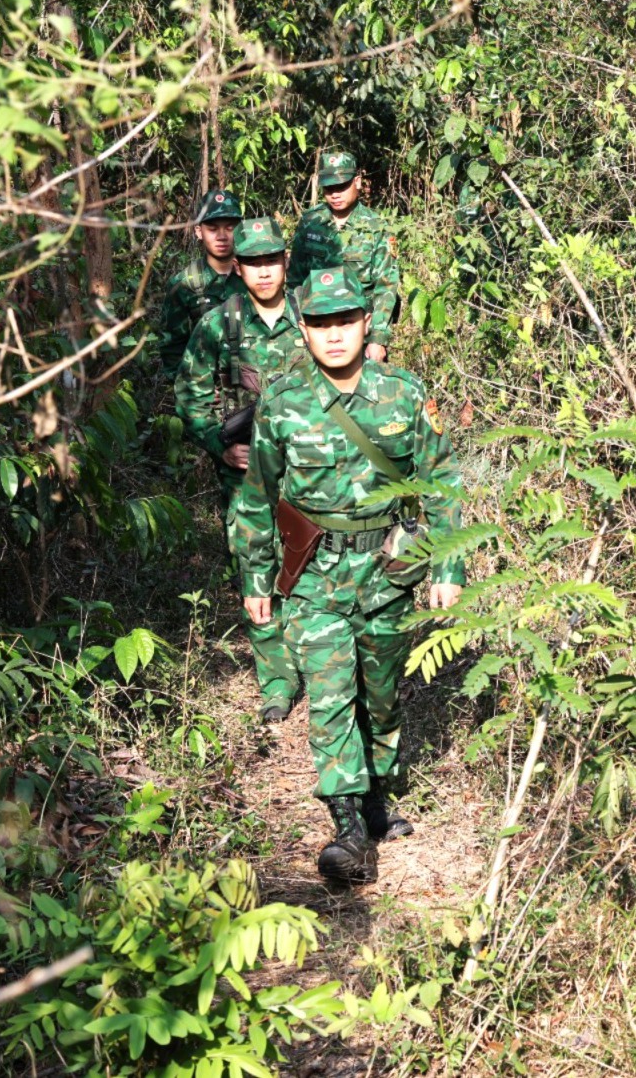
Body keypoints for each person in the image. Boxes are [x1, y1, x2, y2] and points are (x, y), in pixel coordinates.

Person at [229, 268, 465, 884]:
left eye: (344, 322)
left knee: (380, 697)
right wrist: (256, 577)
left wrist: (447, 563)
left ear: (366, 324)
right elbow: (257, 495)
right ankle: (349, 829)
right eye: (320, 324)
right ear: (304, 331)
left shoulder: (405, 394)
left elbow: (441, 482)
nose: (334, 336)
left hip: (386, 572)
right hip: (312, 575)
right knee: (331, 697)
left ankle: (377, 795)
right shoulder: (282, 401)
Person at [173, 218, 308, 721]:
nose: (264, 271)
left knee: (313, 566)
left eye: (271, 260)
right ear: (238, 266)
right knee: (255, 569)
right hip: (247, 476)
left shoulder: (310, 315)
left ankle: (320, 665)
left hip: (310, 472)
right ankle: (276, 682)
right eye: (252, 263)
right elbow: (190, 393)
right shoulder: (219, 324)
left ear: (285, 261)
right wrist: (217, 444)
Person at [290, 151, 402, 362]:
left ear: (357, 182)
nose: (335, 194)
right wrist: (299, 330)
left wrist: (378, 339)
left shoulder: (376, 227)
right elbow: (295, 282)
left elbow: (386, 285)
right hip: (318, 331)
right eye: (329, 188)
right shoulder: (310, 223)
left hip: (360, 332)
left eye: (341, 186)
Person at [153, 188, 244, 379]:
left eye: (230, 227)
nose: (221, 236)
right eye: (212, 228)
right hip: (208, 394)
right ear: (198, 232)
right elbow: (172, 348)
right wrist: (188, 392)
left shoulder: (257, 275)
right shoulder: (184, 285)